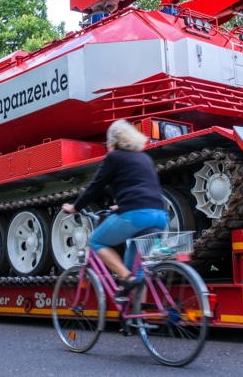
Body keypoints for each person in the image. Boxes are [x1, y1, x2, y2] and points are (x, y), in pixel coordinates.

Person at [62, 119, 168, 301]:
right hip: (160, 215)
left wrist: (74, 206)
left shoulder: (114, 157)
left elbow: (95, 187)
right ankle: (137, 318)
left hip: (136, 215)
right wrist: (121, 205)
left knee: (96, 241)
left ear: (113, 142)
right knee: (136, 267)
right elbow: (144, 186)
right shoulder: (145, 157)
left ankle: (126, 279)